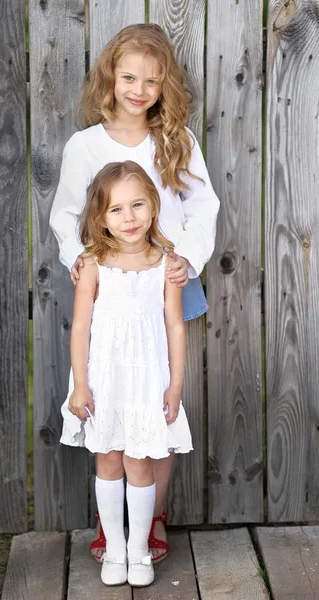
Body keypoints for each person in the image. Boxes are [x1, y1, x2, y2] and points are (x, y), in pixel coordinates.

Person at [50, 23, 220, 563]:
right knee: (109, 405)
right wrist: (76, 258)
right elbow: (66, 214)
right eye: (128, 77)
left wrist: (186, 259)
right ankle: (112, 526)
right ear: (110, 77)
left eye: (151, 80)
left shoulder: (176, 141)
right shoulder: (86, 146)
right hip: (110, 294)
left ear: (164, 85)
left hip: (166, 288)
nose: (138, 89)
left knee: (159, 412)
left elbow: (203, 207)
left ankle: (153, 519)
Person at [59, 160, 193, 587]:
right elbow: (80, 327)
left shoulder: (166, 265)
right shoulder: (93, 264)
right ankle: (113, 549)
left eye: (137, 205)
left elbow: (175, 325)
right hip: (104, 380)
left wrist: (175, 385)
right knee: (108, 460)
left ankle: (139, 550)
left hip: (145, 383)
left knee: (141, 463)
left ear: (153, 207)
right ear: (100, 217)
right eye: (116, 209)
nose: (129, 217)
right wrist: (80, 384)